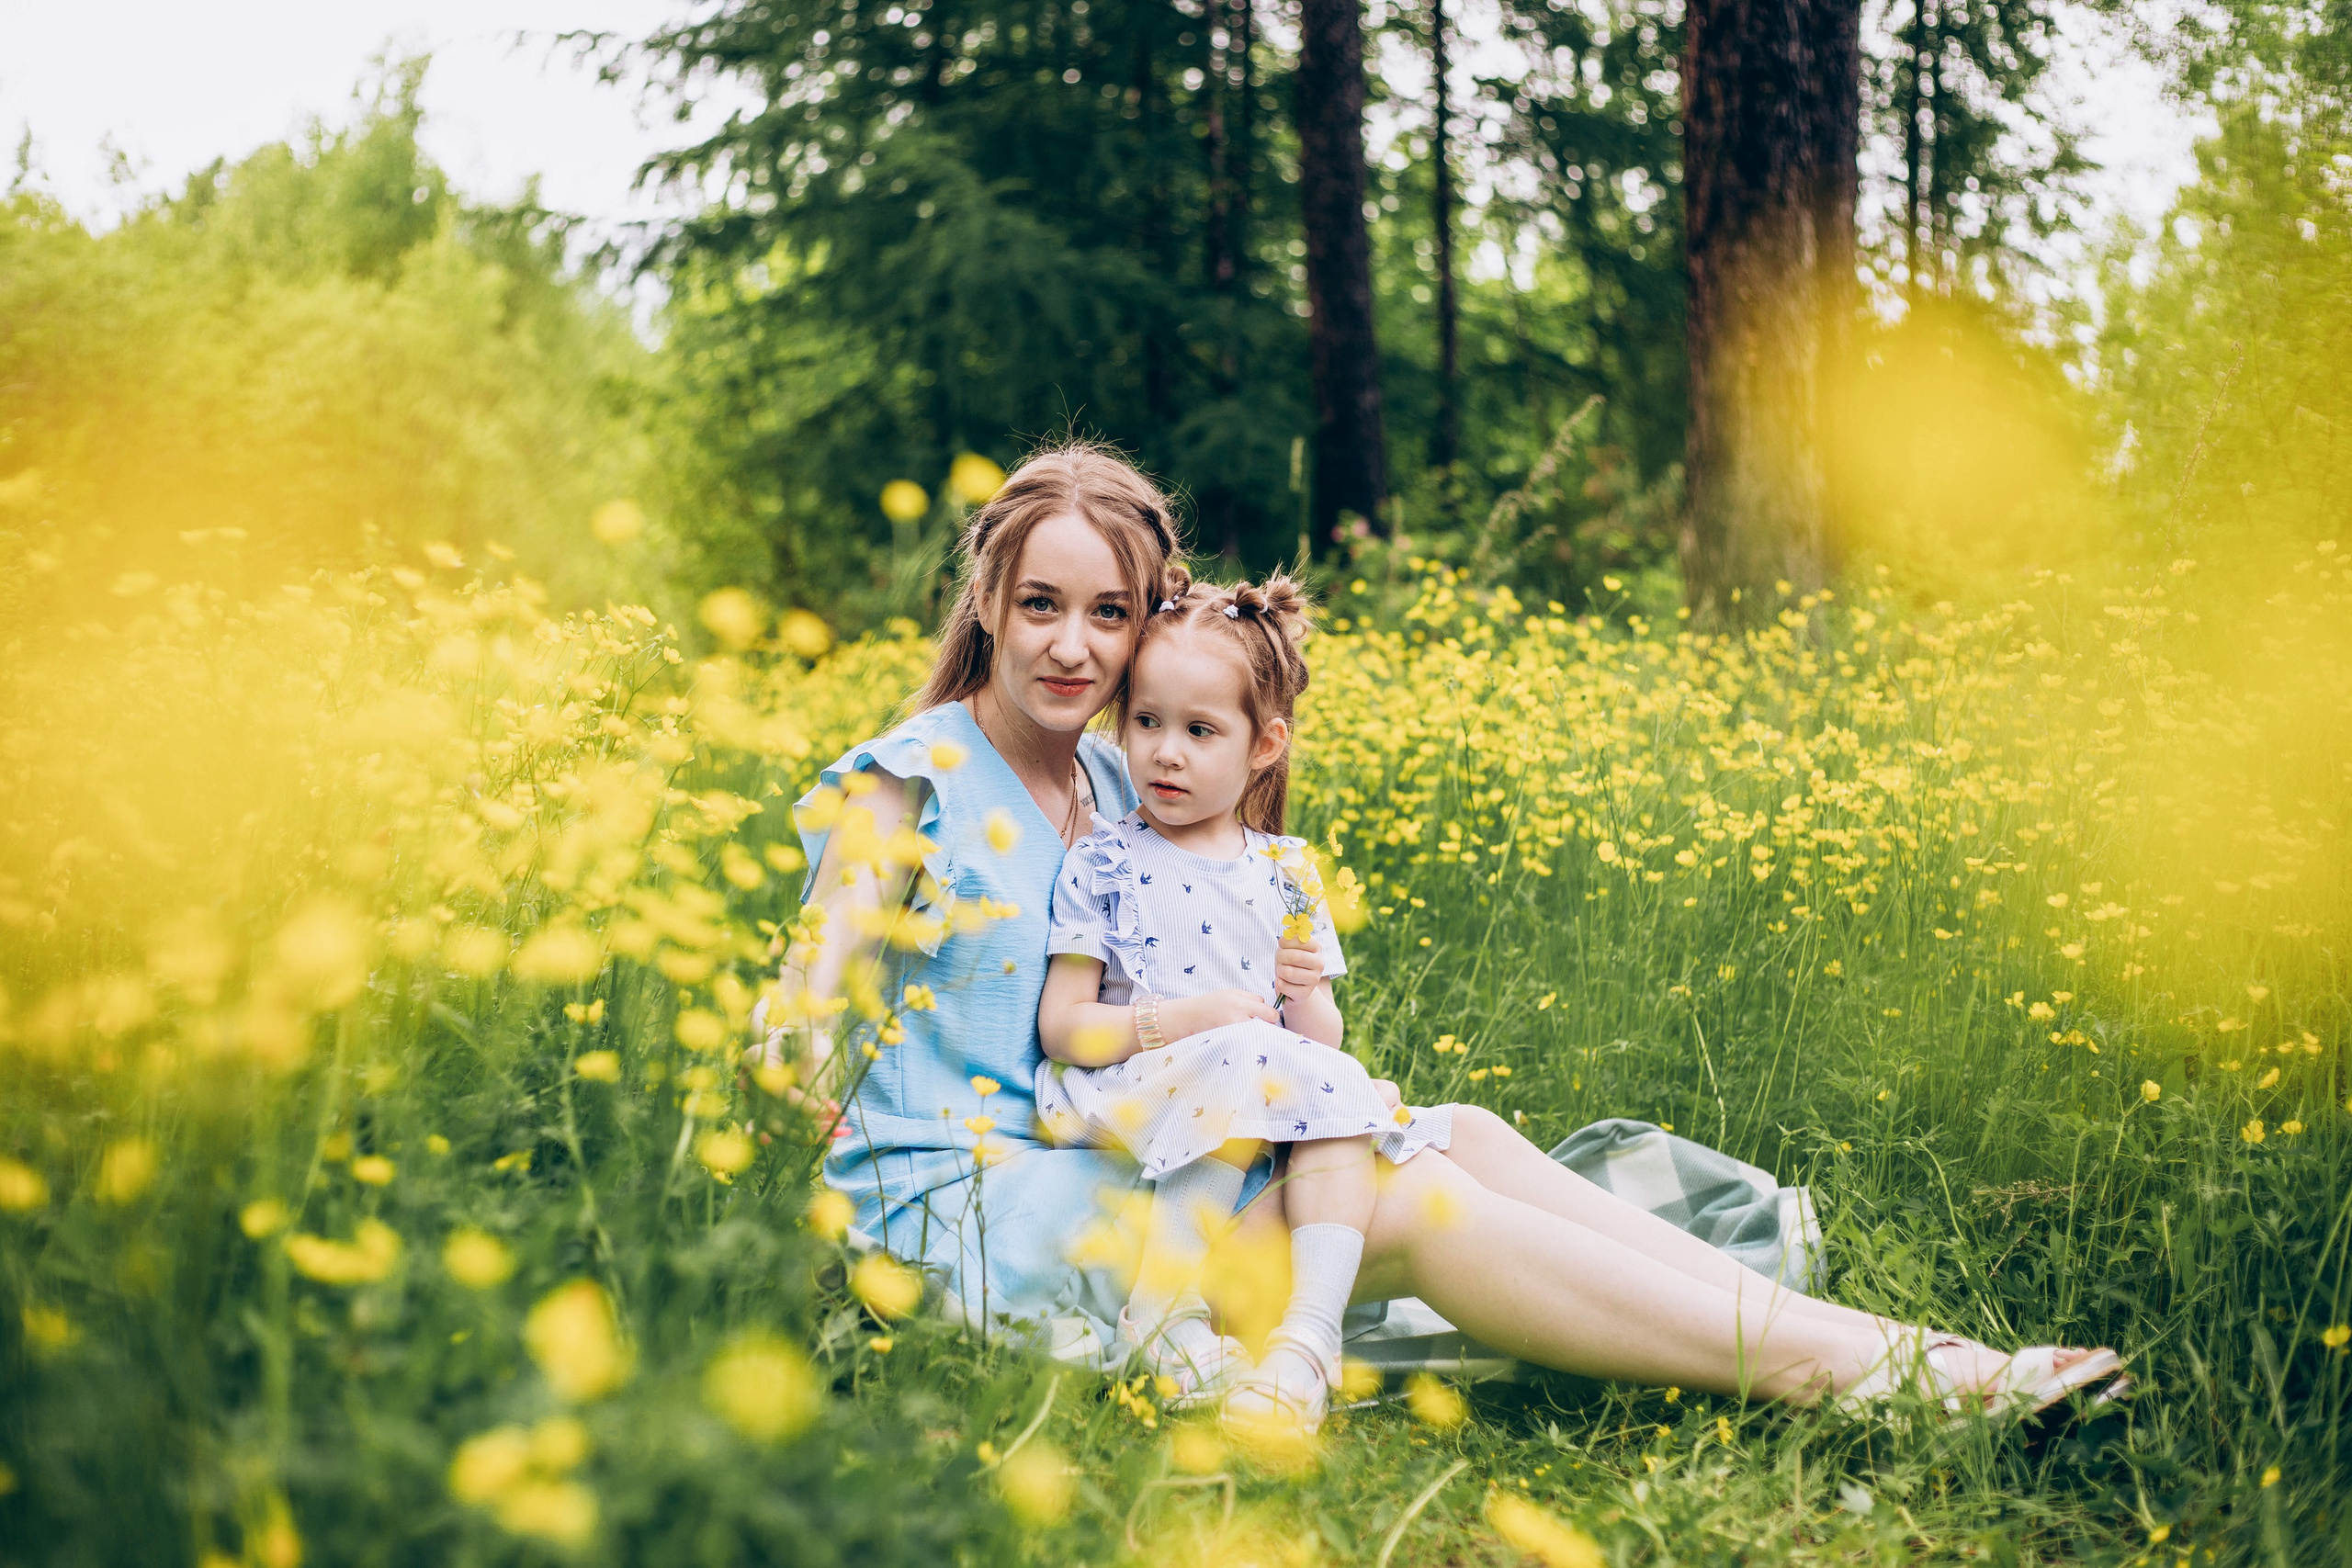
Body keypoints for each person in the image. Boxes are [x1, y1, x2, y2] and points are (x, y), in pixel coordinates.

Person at [761, 439, 2121, 1417]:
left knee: (1450, 1129)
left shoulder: (1118, 776)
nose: (1070, 644)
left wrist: (1287, 1007)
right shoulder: (908, 781)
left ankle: (1892, 1343)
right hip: (985, 1213)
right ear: (985, 599)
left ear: (1143, 626)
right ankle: (1882, 1382)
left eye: (1108, 612)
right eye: (1040, 604)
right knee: (1420, 1196)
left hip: (1125, 1151)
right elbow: (794, 1026)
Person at [1034, 573, 1442, 1430]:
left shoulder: (1287, 871)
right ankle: (1161, 1316)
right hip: (1134, 1089)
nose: (1165, 752)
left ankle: (1307, 1341)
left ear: (1264, 744)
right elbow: (1064, 1027)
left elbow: (1318, 1038)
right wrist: (1190, 1019)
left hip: (1254, 1085)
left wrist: (1303, 997)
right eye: (1146, 722)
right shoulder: (1105, 862)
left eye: (1199, 730)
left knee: (1342, 1096)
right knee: (1251, 1060)